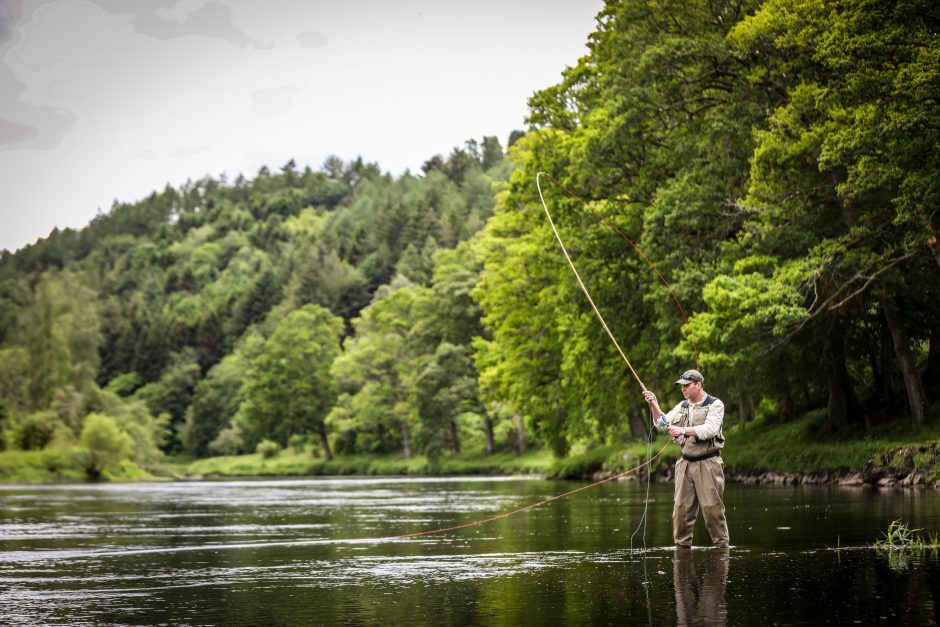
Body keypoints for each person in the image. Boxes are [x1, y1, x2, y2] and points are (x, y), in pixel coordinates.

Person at [643, 369, 729, 548]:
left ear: (699, 384)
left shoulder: (715, 404)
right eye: (681, 386)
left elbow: (710, 429)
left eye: (687, 385)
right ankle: (682, 556)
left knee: (712, 510)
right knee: (680, 512)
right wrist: (654, 404)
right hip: (684, 464)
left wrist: (682, 430)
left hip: (708, 463)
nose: (683, 389)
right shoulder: (682, 405)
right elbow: (662, 424)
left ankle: (722, 552)